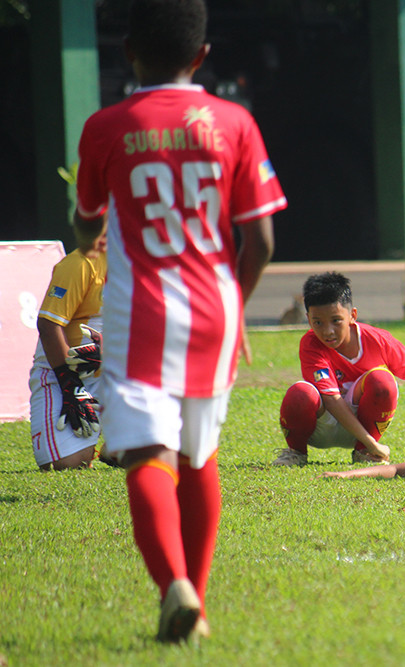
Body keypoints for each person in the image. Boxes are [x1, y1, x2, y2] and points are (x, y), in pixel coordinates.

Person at [73, 0, 286, 641]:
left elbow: (87, 220)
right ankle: (196, 609)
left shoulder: (107, 126)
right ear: (202, 56)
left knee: (147, 453)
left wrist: (90, 226)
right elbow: (262, 241)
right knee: (199, 455)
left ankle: (174, 587)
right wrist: (238, 304)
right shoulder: (233, 121)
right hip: (216, 308)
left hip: (142, 310)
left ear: (128, 50)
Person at [273, 271, 405, 467]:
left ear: (352, 316)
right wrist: (375, 444)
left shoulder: (378, 340)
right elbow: (332, 400)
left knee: (383, 381)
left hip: (365, 427)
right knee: (300, 393)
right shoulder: (310, 343)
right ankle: (296, 453)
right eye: (318, 322)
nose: (328, 331)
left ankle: (364, 453)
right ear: (309, 320)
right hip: (321, 425)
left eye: (336, 321)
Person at [29, 228, 106, 471]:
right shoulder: (82, 262)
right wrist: (69, 381)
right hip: (63, 372)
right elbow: (49, 324)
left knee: (162, 447)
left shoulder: (152, 264)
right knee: (64, 463)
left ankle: (119, 447)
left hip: (117, 373)